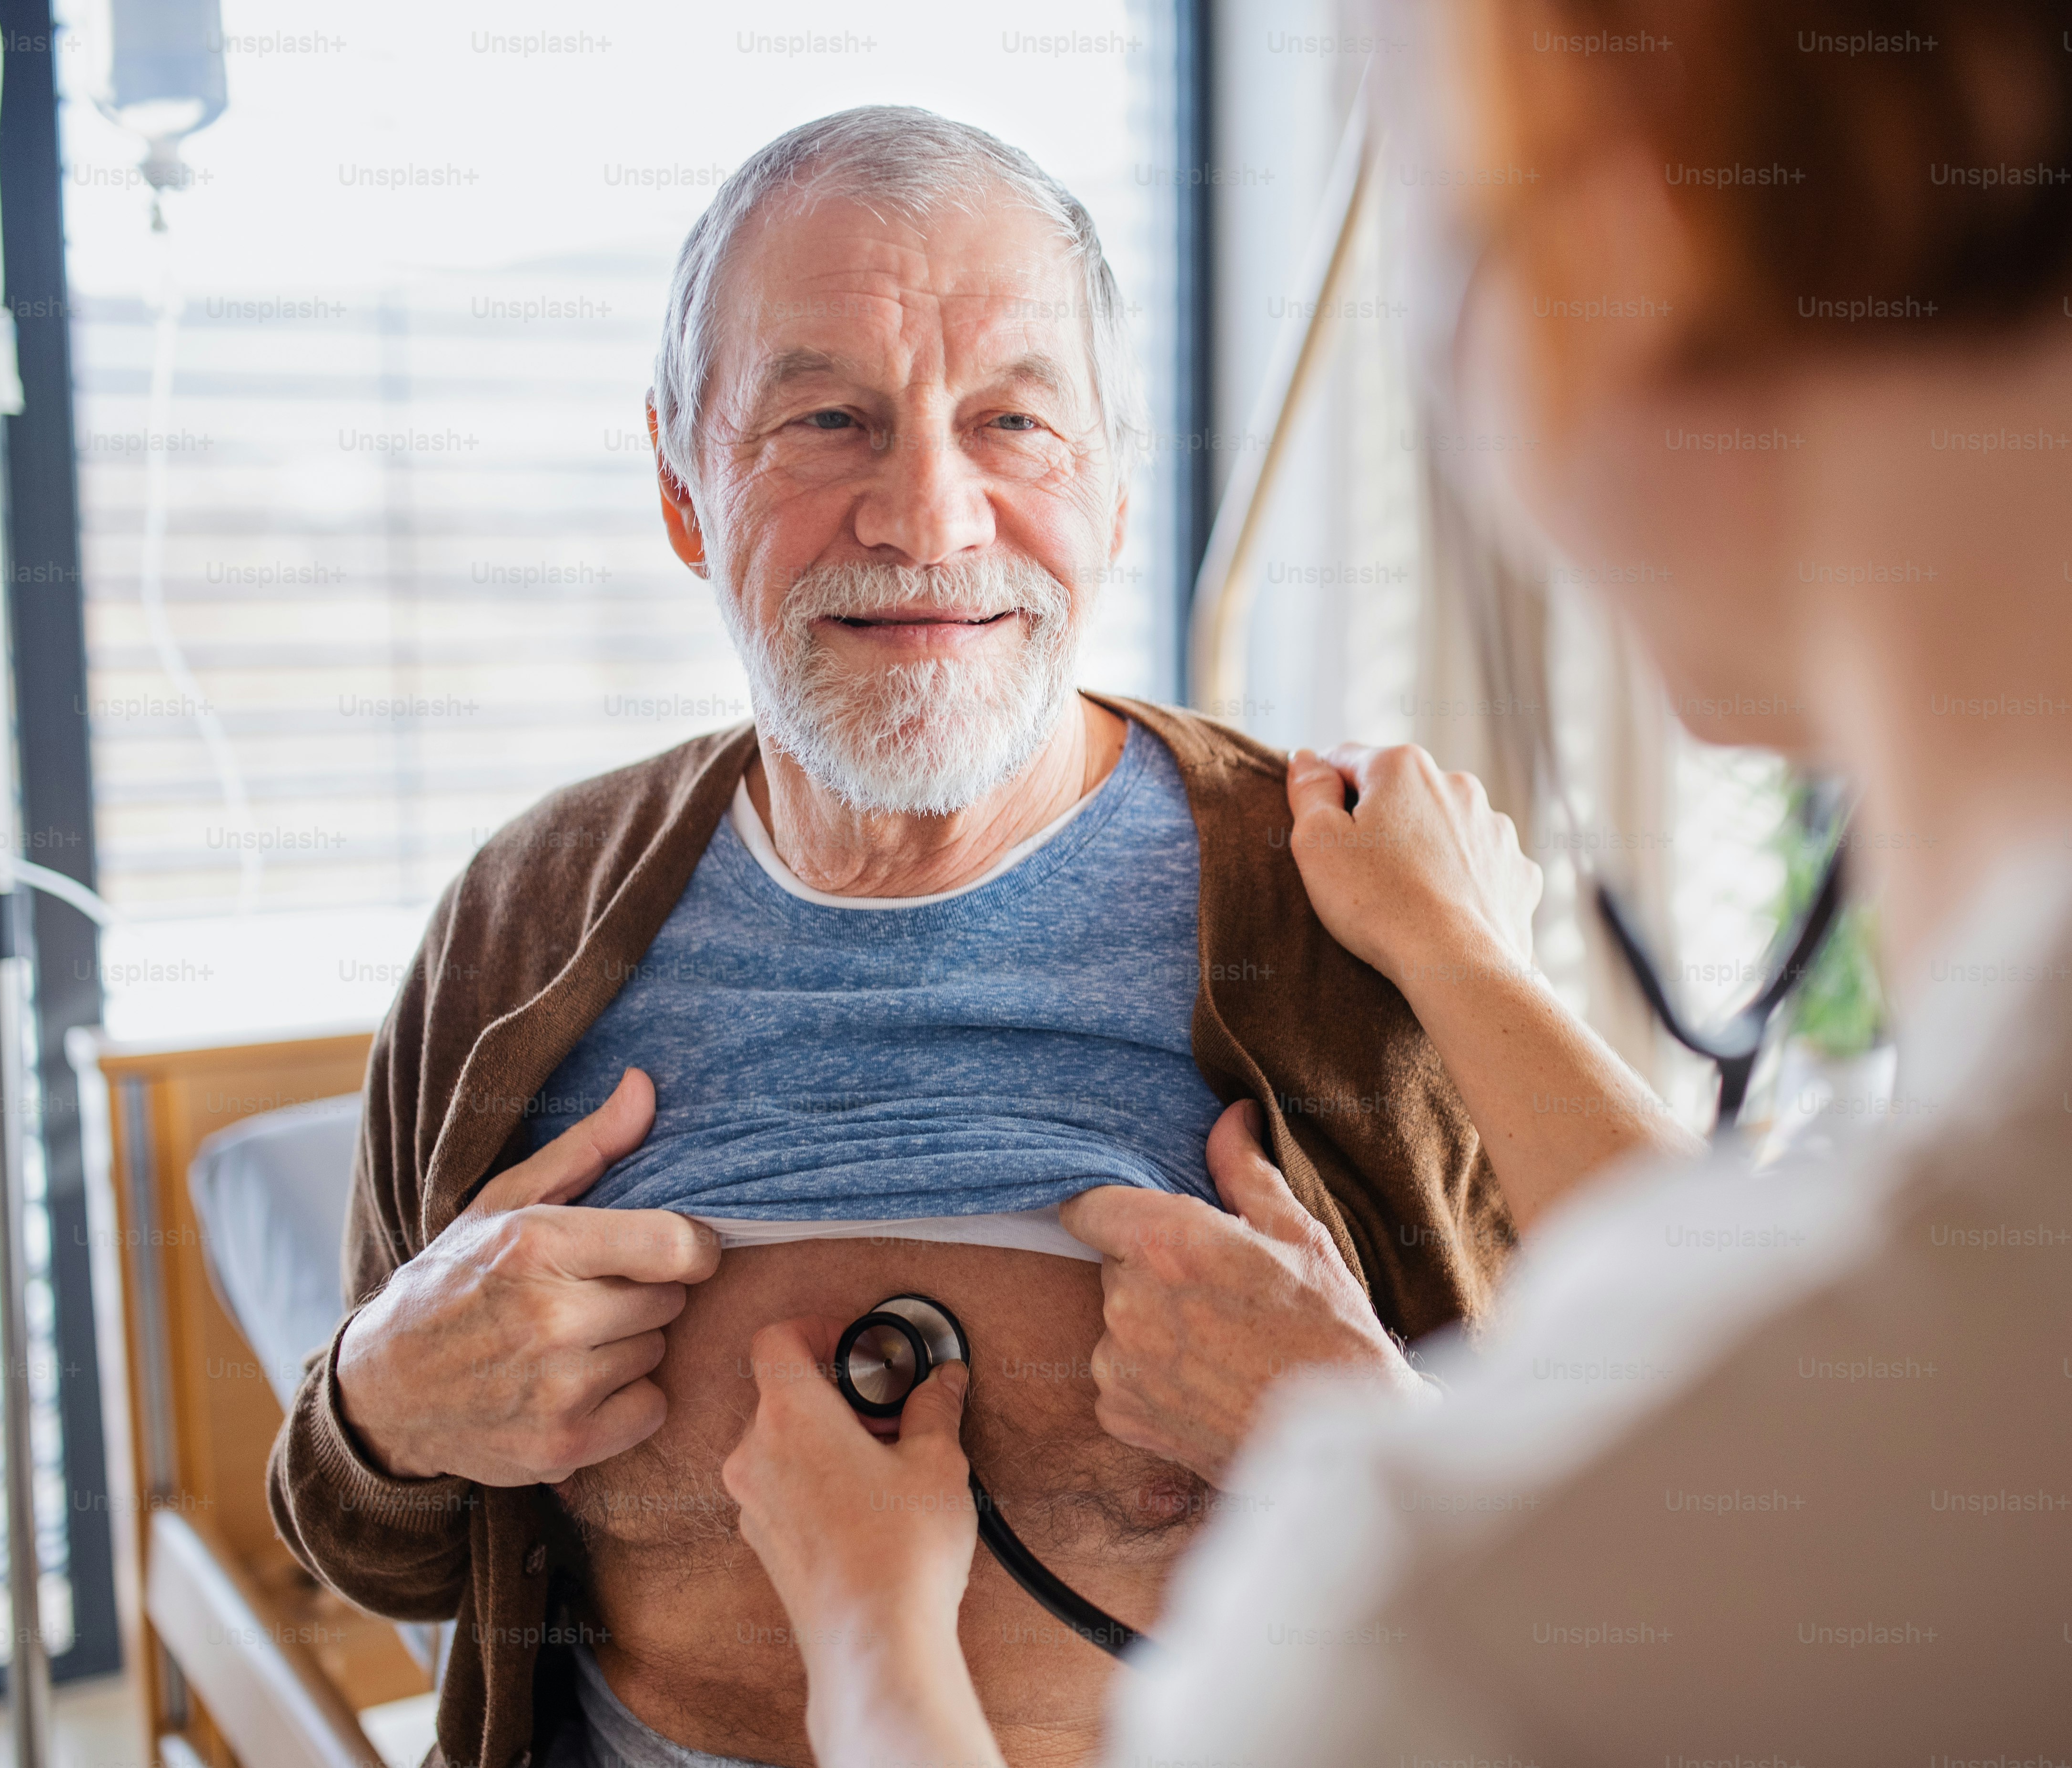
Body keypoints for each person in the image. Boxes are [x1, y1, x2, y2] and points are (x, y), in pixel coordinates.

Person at [718, 2, 2072, 1761]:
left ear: (1620, 198)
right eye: (829, 423)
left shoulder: (1496, 1637)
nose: (930, 512)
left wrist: (873, 1636)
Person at [264, 106, 1690, 1768]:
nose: (928, 517)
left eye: (1013, 420)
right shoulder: (522, 929)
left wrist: (1362, 1436)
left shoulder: (1336, 926)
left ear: (1118, 485)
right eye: (826, 420)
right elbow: (371, 1540)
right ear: (678, 485)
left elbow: (1633, 1582)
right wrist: (376, 1405)